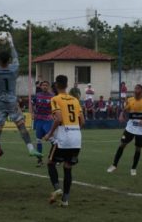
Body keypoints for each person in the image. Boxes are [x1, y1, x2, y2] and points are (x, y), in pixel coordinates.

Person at [0, 32, 42, 173]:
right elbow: (16, 57)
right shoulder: (13, 68)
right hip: (12, 101)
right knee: (21, 125)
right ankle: (30, 148)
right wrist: (11, 43)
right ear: (9, 60)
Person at [43, 75, 84, 207]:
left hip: (63, 137)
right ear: (67, 85)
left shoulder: (55, 99)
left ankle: (57, 189)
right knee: (67, 167)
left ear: (55, 85)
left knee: (50, 163)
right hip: (77, 137)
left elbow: (58, 118)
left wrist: (49, 134)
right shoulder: (75, 100)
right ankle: (65, 200)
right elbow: (82, 121)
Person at [107, 84, 142, 176]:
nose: (135, 90)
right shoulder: (130, 100)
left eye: (138, 89)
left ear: (141, 91)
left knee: (138, 149)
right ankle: (114, 165)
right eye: (135, 88)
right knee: (122, 144)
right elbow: (124, 110)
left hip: (140, 129)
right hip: (130, 127)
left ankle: (133, 168)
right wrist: (121, 115)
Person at [32, 80, 54, 167]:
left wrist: (52, 114)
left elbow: (56, 107)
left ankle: (54, 158)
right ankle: (39, 160)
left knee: (52, 139)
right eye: (43, 85)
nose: (45, 86)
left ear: (48, 87)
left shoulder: (52, 96)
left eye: (46, 85)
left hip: (48, 120)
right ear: (41, 87)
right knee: (38, 140)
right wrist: (33, 113)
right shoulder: (37, 95)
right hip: (39, 120)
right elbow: (32, 104)